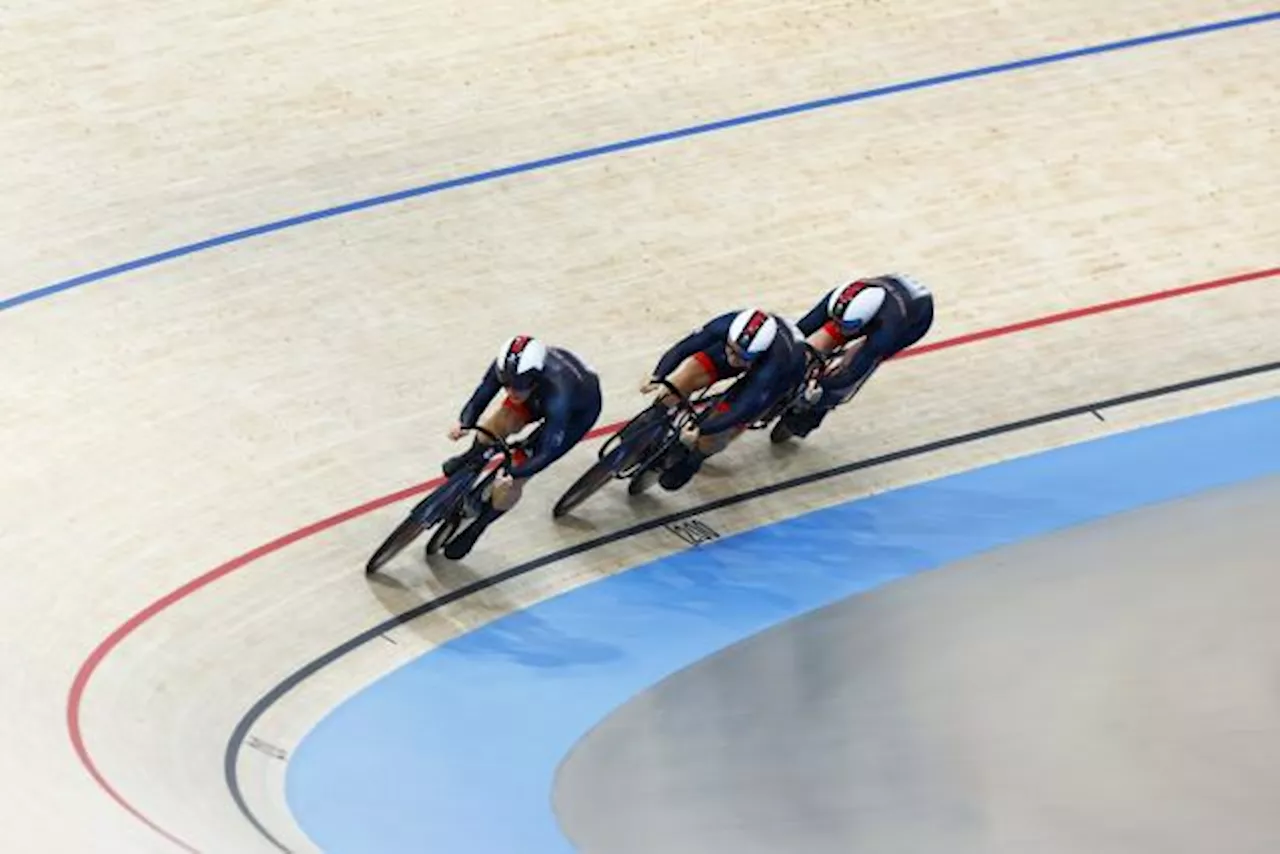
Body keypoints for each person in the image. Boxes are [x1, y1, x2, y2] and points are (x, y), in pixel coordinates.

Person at [441, 335, 602, 558]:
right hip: (539, 396)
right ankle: (472, 456)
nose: (510, 392)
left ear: (535, 379)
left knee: (516, 477)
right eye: (506, 385)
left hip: (575, 414)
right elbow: (482, 394)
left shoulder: (559, 392)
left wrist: (514, 473)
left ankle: (477, 528)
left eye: (517, 387)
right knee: (501, 420)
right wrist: (465, 422)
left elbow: (546, 453)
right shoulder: (508, 368)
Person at [639, 308, 807, 490]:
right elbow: (685, 347)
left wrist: (702, 429)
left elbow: (741, 410)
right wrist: (658, 374)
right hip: (748, 351)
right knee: (683, 379)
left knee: (717, 432)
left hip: (781, 375)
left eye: (739, 356)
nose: (732, 358)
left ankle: (693, 461)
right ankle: (652, 423)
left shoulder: (774, 366)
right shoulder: (726, 325)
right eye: (732, 350)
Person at [774, 273, 934, 441]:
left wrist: (823, 387)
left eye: (847, 327)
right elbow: (799, 331)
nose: (841, 329)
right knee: (814, 344)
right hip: (882, 304)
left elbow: (853, 374)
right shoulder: (837, 300)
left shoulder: (886, 332)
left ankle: (801, 422)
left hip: (912, 324)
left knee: (843, 376)